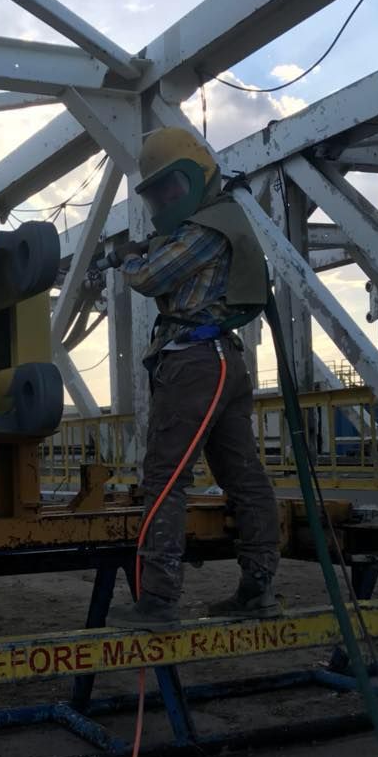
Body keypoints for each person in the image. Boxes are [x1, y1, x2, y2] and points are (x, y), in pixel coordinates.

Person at [104, 127, 281, 626]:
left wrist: (131, 257)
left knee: (164, 478)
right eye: (157, 192)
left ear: (196, 178)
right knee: (244, 477)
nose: (164, 199)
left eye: (170, 189)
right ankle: (259, 590)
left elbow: (149, 278)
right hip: (226, 360)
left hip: (195, 361)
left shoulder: (204, 229)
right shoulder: (219, 222)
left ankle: (158, 600)